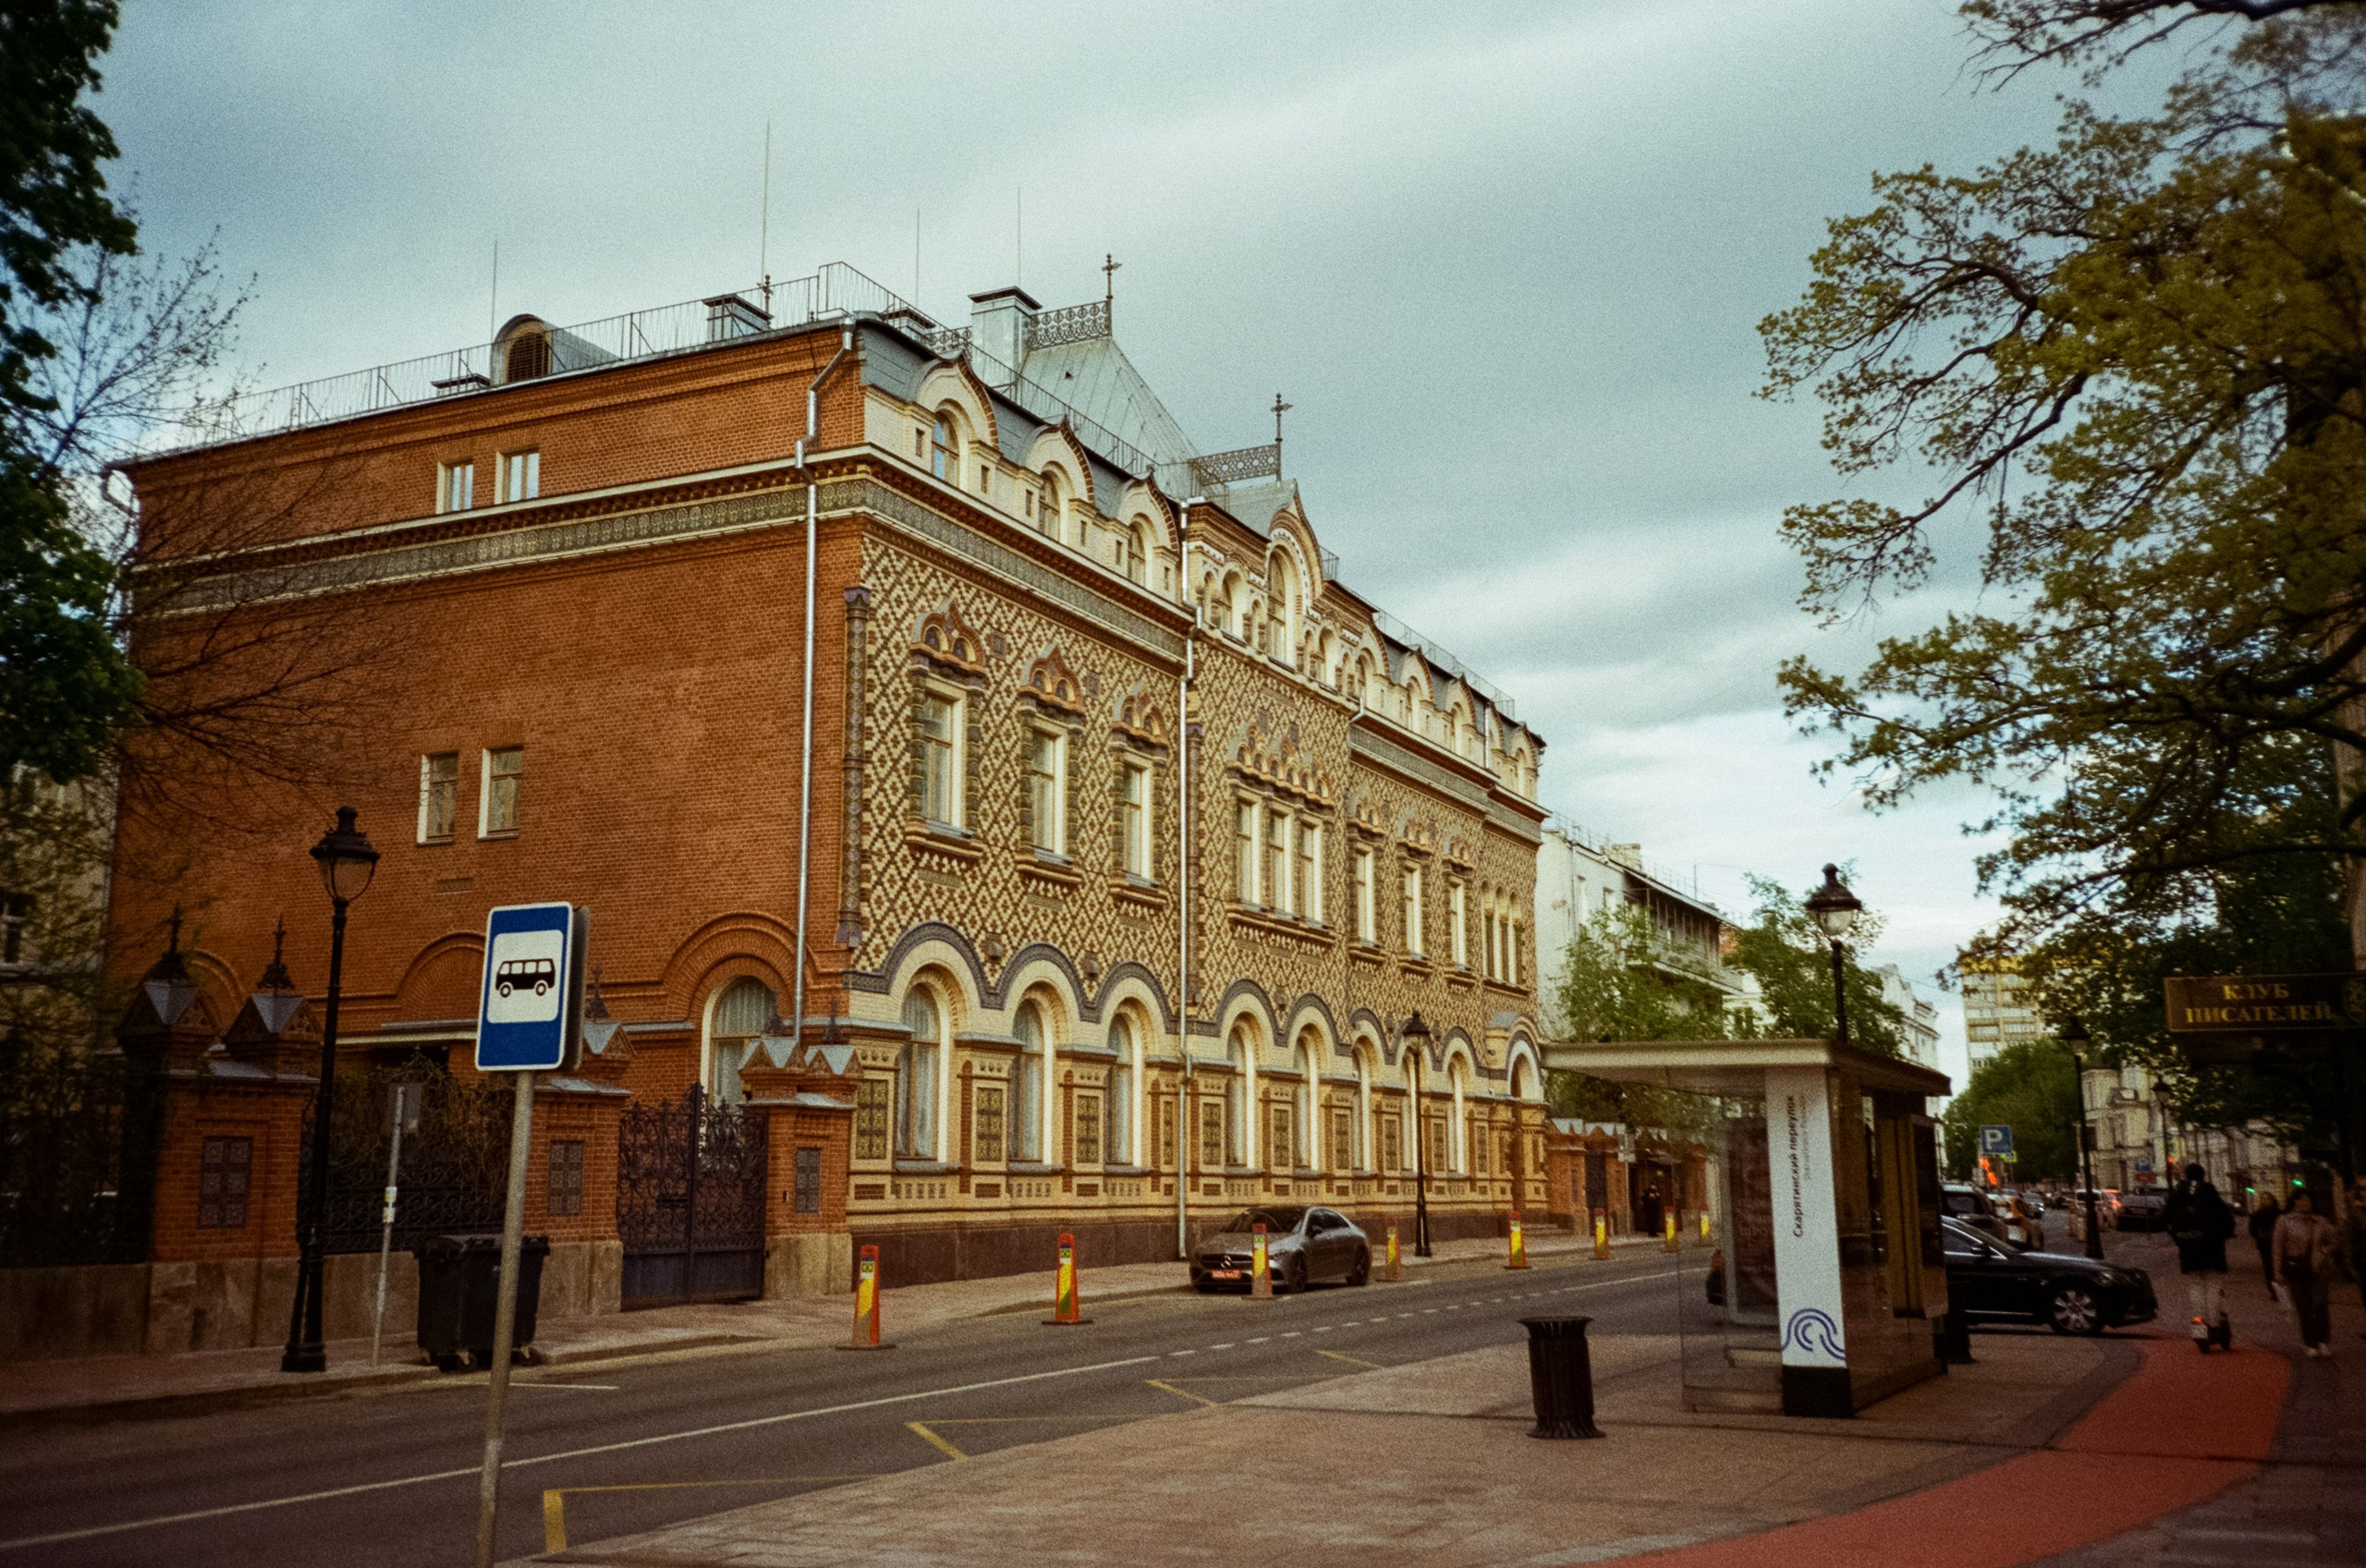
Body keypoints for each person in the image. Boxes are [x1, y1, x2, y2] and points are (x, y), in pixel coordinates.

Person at [2165, 1164, 2236, 1351]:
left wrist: (2179, 1237)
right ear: (2203, 1175)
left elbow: (2164, 1219)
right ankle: (2215, 1323)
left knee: (2195, 1285)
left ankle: (2199, 1322)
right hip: (2212, 1247)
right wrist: (2226, 1235)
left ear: (2186, 1175)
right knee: (2213, 1285)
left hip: (2188, 1248)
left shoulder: (2177, 1194)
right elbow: (2226, 1217)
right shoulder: (2209, 1192)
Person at [2275, 1190, 2337, 1357]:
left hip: (2318, 1269)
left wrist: (2325, 1252)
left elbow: (2335, 1239)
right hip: (2296, 1270)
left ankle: (2323, 1340)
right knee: (2304, 1308)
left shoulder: (2320, 1221)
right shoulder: (2284, 1221)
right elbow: (2277, 1247)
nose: (2303, 1204)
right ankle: (2311, 1343)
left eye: (2307, 1201)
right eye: (2300, 1200)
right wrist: (2277, 1272)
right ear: (2294, 1202)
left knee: (2320, 1304)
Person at [2248, 1194, 2282, 1301]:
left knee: (2279, 1266)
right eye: (2262, 1199)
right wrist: (2259, 1236)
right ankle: (2273, 1290)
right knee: (2268, 1268)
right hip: (2265, 1244)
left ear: (2272, 1200)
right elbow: (2252, 1229)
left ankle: (2281, 1289)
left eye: (2267, 1199)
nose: (2264, 1201)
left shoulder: (2279, 1213)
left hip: (2278, 1243)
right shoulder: (2258, 1214)